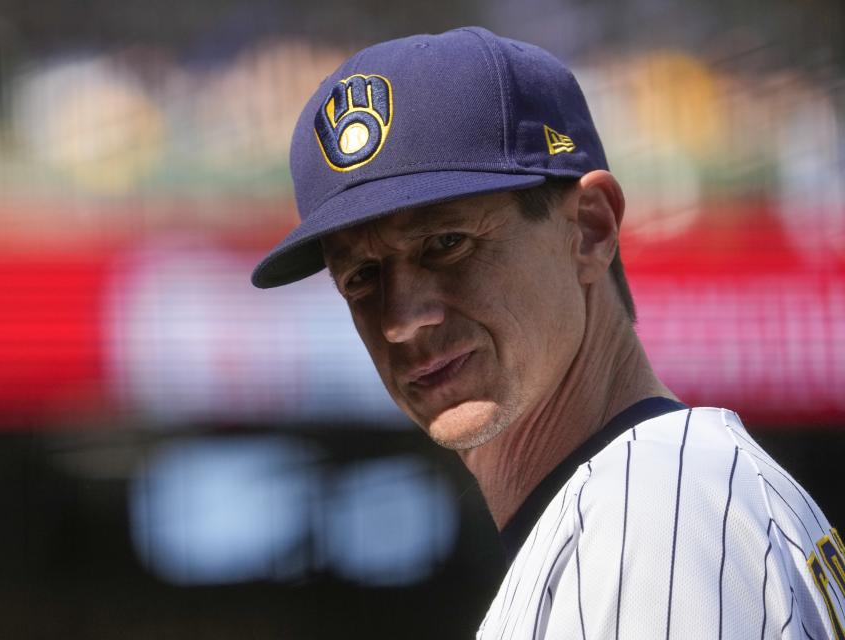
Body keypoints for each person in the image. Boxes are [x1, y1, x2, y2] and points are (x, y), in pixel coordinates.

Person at [251, 26, 844, 639]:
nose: (401, 319)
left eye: (447, 244)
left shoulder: (653, 511)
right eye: (361, 277)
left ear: (589, 229)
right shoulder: (640, 505)